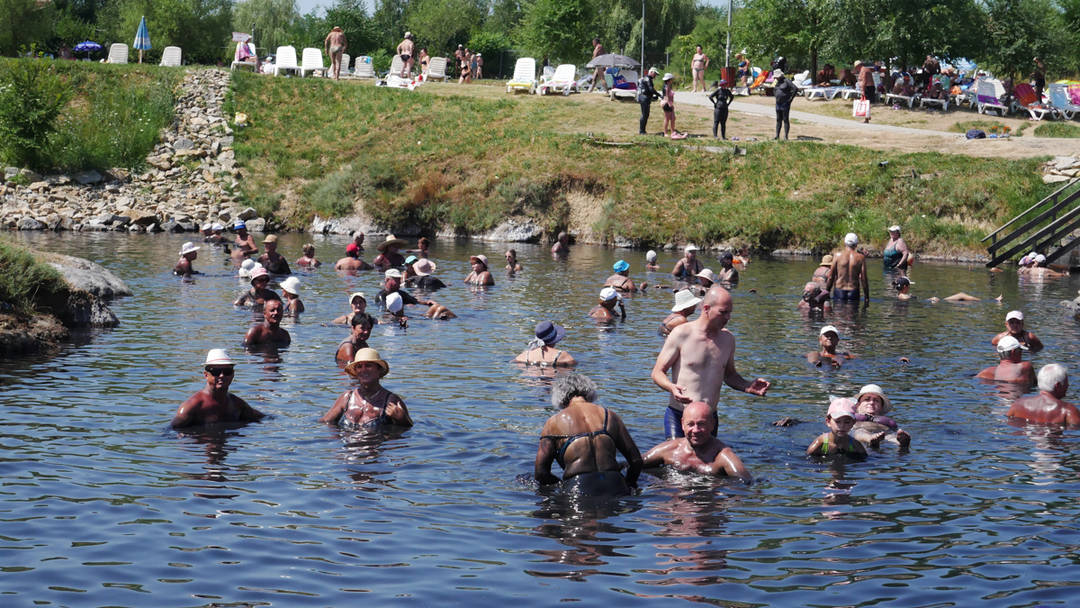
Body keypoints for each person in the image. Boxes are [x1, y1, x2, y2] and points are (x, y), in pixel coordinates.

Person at [652, 286, 770, 439]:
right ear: (706, 308)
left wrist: (747, 386)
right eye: (723, 312)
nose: (728, 317)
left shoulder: (728, 339)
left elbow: (729, 375)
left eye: (730, 313)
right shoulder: (682, 333)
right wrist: (671, 387)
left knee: (708, 462)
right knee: (677, 462)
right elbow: (657, 372)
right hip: (680, 415)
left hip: (708, 419)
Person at [534, 373, 643, 495]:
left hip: (579, 488)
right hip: (616, 485)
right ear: (590, 391)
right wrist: (629, 484)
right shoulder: (610, 416)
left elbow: (541, 473)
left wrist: (560, 486)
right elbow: (636, 461)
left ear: (560, 395)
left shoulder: (553, 422)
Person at [643, 401, 752, 482]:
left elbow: (746, 485)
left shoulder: (723, 457)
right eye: (690, 424)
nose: (695, 430)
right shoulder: (668, 450)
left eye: (701, 424)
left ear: (712, 424)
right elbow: (634, 464)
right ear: (682, 424)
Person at [321, 348, 412, 430]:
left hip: (375, 446)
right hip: (349, 446)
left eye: (368, 365)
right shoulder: (347, 397)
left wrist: (402, 419)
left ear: (378, 370)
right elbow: (325, 423)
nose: (363, 370)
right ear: (356, 372)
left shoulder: (391, 400)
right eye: (359, 367)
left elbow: (407, 430)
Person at [171, 349, 264, 429]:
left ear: (233, 375)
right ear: (206, 375)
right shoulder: (192, 407)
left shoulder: (237, 404)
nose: (222, 376)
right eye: (216, 372)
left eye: (227, 371)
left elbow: (263, 419)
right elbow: (172, 432)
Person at [1008, 364, 1079, 427]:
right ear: (1058, 386)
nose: (1068, 385)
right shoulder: (1068, 411)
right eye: (1066, 382)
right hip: (1055, 441)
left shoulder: (1017, 404)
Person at [850, 384, 911, 449]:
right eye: (867, 399)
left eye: (876, 400)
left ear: (881, 407)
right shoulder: (851, 417)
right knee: (859, 431)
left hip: (883, 433)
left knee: (890, 436)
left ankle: (901, 443)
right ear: (858, 404)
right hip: (859, 431)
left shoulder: (886, 421)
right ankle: (870, 438)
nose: (871, 402)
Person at [826, 233, 869, 304]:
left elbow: (831, 277)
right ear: (856, 244)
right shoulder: (861, 258)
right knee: (853, 314)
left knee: (838, 313)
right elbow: (864, 279)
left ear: (845, 243)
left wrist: (827, 292)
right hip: (854, 291)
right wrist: (866, 297)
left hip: (839, 291)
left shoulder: (837, 256)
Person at [773, 71, 798, 140]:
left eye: (777, 77)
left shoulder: (787, 81)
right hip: (778, 103)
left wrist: (790, 99)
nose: (776, 78)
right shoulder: (776, 82)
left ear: (781, 76)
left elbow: (795, 89)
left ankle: (786, 136)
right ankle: (777, 136)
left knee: (785, 119)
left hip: (785, 103)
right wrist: (776, 95)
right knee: (778, 119)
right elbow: (774, 89)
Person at [637, 67, 661, 135]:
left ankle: (642, 130)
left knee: (645, 115)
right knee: (645, 115)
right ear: (651, 72)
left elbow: (646, 90)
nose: (655, 75)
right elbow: (651, 89)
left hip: (643, 97)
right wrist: (659, 95)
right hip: (644, 98)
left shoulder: (644, 78)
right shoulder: (648, 79)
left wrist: (652, 97)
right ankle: (642, 131)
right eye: (655, 74)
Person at [661, 73, 682, 138]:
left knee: (673, 118)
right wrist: (669, 104)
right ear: (669, 80)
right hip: (666, 103)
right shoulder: (666, 87)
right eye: (672, 79)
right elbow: (666, 96)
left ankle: (673, 131)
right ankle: (665, 133)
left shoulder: (669, 85)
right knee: (667, 118)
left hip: (670, 103)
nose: (672, 80)